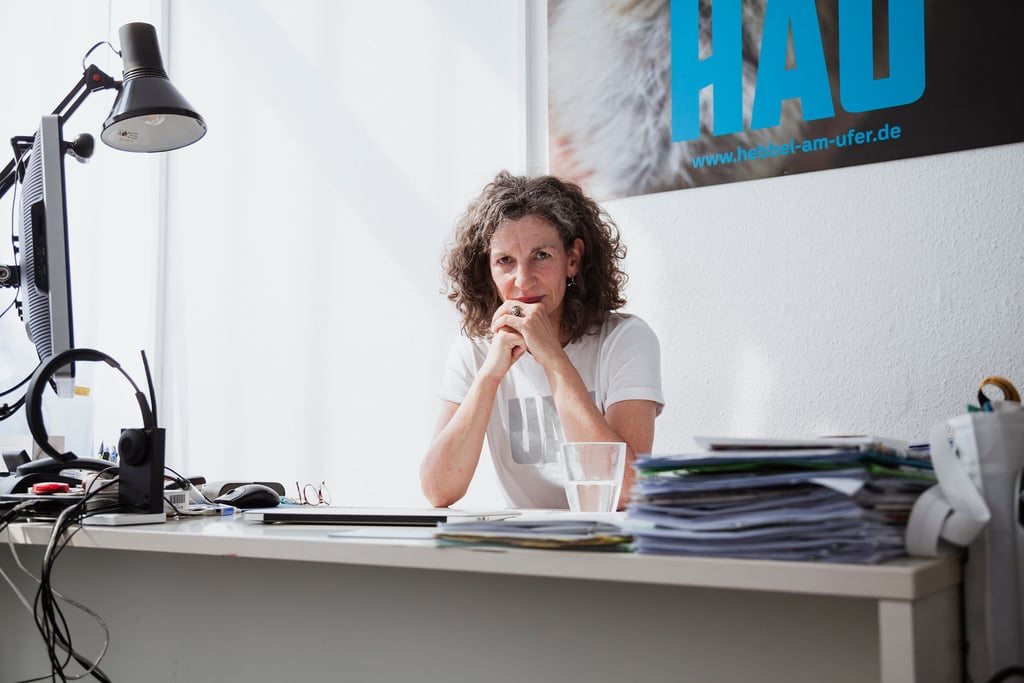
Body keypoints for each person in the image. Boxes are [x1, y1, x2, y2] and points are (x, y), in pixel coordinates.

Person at [421, 171, 664, 509]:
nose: (523, 280)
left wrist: (553, 359)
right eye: (505, 261)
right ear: (487, 270)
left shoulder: (626, 339)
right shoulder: (475, 351)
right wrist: (489, 377)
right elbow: (439, 490)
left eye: (541, 256)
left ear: (573, 260)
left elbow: (626, 491)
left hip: (608, 549)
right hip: (524, 554)